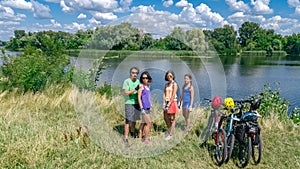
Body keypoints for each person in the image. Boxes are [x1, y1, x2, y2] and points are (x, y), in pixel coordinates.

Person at [122, 67, 140, 147]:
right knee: (128, 121)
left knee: (134, 120)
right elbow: (126, 93)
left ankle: (132, 133)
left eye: (136, 73)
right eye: (133, 72)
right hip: (129, 103)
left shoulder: (138, 81)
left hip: (137, 103)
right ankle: (126, 138)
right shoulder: (126, 81)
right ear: (130, 73)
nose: (135, 74)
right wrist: (135, 89)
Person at [137, 71, 153, 144]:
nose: (145, 79)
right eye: (143, 78)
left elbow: (148, 97)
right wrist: (142, 108)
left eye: (146, 78)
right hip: (144, 108)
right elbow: (139, 98)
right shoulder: (141, 87)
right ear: (141, 79)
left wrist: (151, 105)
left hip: (148, 107)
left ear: (148, 79)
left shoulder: (148, 86)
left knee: (143, 123)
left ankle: (139, 138)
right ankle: (146, 139)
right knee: (149, 123)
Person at [163, 70, 179, 140]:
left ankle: (171, 134)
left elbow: (173, 95)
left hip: (172, 102)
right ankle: (170, 130)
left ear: (173, 76)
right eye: (168, 76)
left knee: (172, 119)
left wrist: (169, 103)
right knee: (165, 118)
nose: (169, 77)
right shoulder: (166, 85)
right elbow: (164, 93)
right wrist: (164, 102)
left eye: (171, 76)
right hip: (166, 102)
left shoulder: (174, 84)